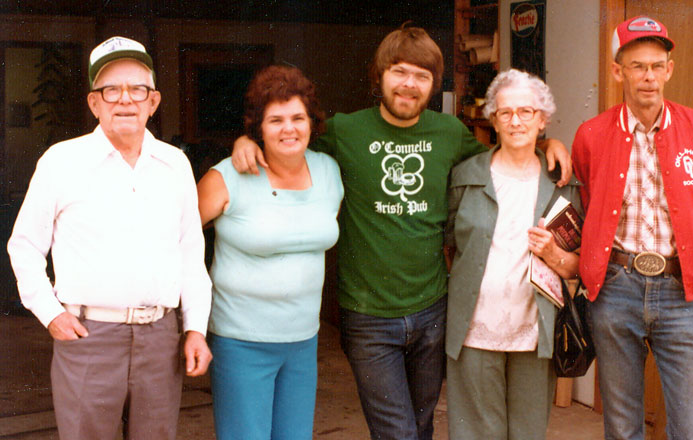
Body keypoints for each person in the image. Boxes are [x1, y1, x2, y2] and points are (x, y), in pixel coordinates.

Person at [231, 25, 572, 440]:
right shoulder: (345, 130)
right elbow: (288, 140)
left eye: (422, 76)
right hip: (367, 314)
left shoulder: (449, 133)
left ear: (433, 85)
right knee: (398, 432)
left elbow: (507, 158)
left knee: (422, 426)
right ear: (380, 76)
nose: (409, 84)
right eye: (399, 72)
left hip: (432, 309)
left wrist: (547, 144)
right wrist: (247, 142)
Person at [6, 36, 212, 440]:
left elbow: (191, 251)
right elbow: (24, 245)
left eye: (137, 89)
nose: (125, 100)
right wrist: (50, 312)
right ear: (93, 102)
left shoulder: (175, 164)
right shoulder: (61, 161)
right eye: (111, 89)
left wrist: (196, 328)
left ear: (153, 102)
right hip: (88, 337)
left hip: (160, 339)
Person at [571, 16, 693, 439]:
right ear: (618, 71)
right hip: (615, 291)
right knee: (622, 428)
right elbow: (585, 210)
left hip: (683, 295)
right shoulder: (591, 135)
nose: (648, 77)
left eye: (656, 66)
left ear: (669, 69)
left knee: (691, 431)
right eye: (637, 66)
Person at [197, 65, 344, 439]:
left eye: (298, 117)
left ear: (312, 123)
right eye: (275, 120)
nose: (289, 128)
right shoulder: (226, 176)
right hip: (241, 341)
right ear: (257, 128)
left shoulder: (328, 171)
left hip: (302, 341)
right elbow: (177, 241)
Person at [444, 68, 582, 439]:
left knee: (527, 432)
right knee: (475, 433)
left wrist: (553, 255)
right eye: (505, 112)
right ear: (493, 120)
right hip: (474, 329)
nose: (516, 120)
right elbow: (448, 244)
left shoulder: (563, 184)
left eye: (527, 112)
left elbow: (578, 265)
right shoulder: (465, 176)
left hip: (535, 333)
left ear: (543, 120)